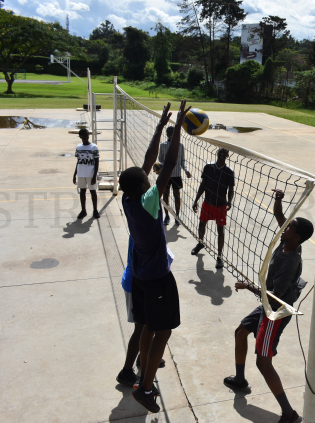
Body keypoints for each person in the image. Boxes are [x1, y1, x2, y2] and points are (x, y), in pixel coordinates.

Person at [118, 99, 190, 413]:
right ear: (145, 186)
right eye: (148, 178)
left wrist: (161, 125)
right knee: (164, 330)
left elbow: (147, 163)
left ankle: (142, 375)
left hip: (141, 277)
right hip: (157, 278)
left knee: (147, 326)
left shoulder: (129, 198)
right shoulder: (149, 201)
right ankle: (145, 387)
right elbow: (168, 162)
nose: (151, 176)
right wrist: (178, 129)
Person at [223, 189, 313, 423]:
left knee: (263, 362)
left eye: (289, 227)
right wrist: (278, 200)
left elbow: (275, 297)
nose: (285, 227)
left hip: (275, 312)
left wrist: (248, 286)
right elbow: (280, 217)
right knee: (240, 332)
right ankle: (240, 380)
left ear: (297, 236)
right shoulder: (290, 242)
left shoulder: (290, 259)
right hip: (267, 306)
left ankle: (289, 414)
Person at [115, 236, 164, 394]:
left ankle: (144, 356)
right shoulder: (144, 230)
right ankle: (126, 372)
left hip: (137, 281)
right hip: (136, 284)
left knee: (146, 327)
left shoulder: (145, 228)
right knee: (141, 329)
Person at [191, 148, 235, 269]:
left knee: (220, 230)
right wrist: (196, 200)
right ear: (217, 153)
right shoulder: (208, 167)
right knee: (202, 223)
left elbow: (231, 189)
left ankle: (219, 257)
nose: (222, 155)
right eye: (220, 153)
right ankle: (200, 243)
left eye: (224, 153)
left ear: (227, 155)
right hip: (208, 202)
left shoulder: (229, 171)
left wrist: (229, 201)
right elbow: (203, 184)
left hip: (220, 205)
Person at [158, 126, 192, 225]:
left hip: (176, 174)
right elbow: (160, 159)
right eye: (169, 133)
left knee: (177, 195)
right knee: (165, 194)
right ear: (167, 134)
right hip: (166, 174)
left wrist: (186, 170)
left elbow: (182, 160)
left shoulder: (180, 145)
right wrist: (161, 168)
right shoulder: (163, 145)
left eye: (173, 133)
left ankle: (177, 216)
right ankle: (167, 216)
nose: (171, 135)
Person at [72, 128, 100, 219]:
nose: (86, 137)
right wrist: (74, 175)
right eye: (83, 135)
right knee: (82, 192)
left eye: (87, 135)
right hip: (81, 173)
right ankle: (83, 210)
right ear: (80, 136)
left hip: (91, 174)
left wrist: (95, 176)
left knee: (93, 192)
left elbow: (97, 162)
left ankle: (95, 210)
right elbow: (78, 161)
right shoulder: (79, 147)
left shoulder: (94, 147)